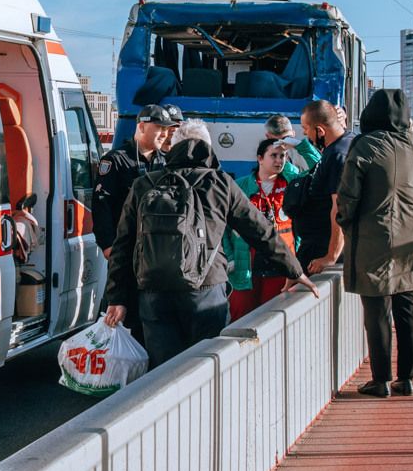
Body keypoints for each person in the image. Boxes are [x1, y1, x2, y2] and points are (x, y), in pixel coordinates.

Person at [102, 119, 318, 367]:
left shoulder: (145, 184)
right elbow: (260, 231)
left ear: (174, 146)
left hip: (155, 292)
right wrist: (294, 269)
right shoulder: (220, 183)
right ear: (207, 147)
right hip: (206, 290)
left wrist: (116, 298)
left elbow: (123, 245)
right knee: (207, 368)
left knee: (162, 372)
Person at [337, 89, 413, 398]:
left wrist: (344, 221)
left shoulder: (366, 145)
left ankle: (380, 380)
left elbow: (349, 194)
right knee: (407, 305)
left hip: (374, 234)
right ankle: (407, 377)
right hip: (411, 233)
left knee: (377, 308)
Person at [93, 104, 176, 342]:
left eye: (166, 129)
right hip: (126, 254)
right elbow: (102, 207)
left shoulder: (166, 162)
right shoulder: (116, 161)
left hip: (155, 256)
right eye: (159, 128)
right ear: (141, 126)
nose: (164, 133)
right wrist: (109, 247)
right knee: (125, 318)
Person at [223, 138, 297, 321]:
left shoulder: (291, 185)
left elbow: (314, 169)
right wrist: (230, 257)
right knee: (241, 318)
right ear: (260, 159)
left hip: (279, 262)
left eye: (283, 156)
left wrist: (297, 146)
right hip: (245, 262)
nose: (279, 161)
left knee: (272, 318)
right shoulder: (240, 186)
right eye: (273, 155)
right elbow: (223, 226)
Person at [296, 100, 355, 275]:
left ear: (320, 130)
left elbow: (339, 208)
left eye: (306, 129)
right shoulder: (349, 141)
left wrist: (331, 256)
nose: (305, 134)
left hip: (323, 247)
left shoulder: (337, 156)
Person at [263, 113, 321, 181]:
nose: (283, 144)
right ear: (268, 137)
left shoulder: (305, 154)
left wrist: (302, 146)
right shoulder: (265, 158)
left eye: (287, 138)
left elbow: (321, 171)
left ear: (293, 133)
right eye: (277, 141)